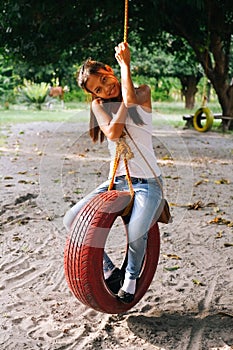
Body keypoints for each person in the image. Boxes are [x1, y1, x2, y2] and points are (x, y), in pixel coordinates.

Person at [63, 42, 163, 303]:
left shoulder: (143, 92)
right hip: (116, 182)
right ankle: (110, 269)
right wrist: (112, 102)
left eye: (105, 79)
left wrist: (125, 65)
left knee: (138, 229)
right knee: (71, 219)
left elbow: (130, 100)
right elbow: (113, 133)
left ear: (110, 69)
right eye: (98, 89)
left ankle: (131, 277)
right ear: (93, 94)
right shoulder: (99, 106)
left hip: (148, 182)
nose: (106, 88)